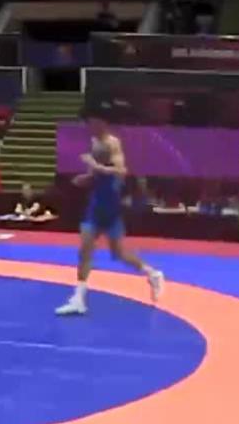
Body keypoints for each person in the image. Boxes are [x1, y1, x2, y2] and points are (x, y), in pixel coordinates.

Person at [56, 112, 165, 316]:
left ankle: (153, 273)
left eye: (92, 122)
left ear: (102, 123)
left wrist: (94, 165)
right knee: (85, 249)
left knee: (118, 253)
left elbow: (121, 171)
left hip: (111, 204)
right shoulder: (94, 142)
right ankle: (78, 299)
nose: (89, 126)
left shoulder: (112, 143)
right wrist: (85, 178)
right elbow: (97, 174)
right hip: (96, 203)